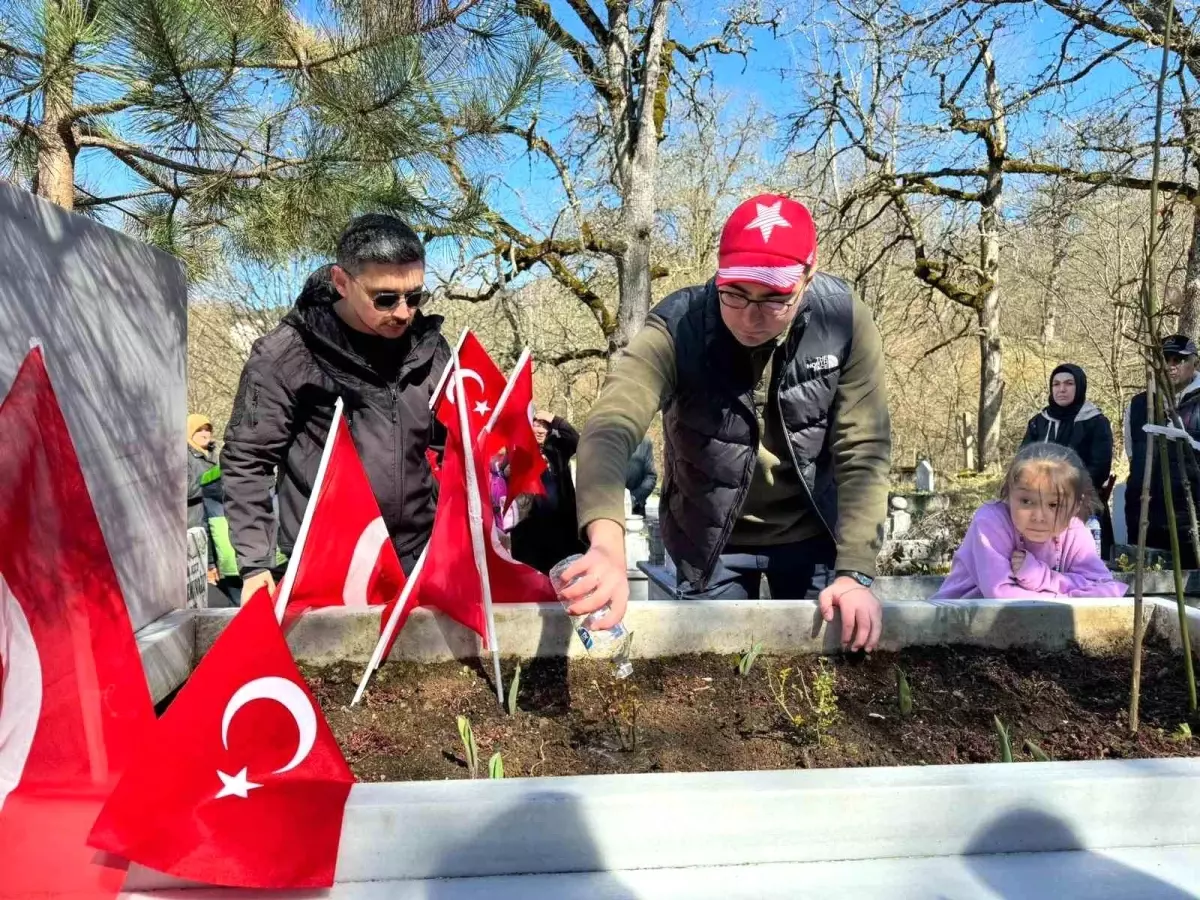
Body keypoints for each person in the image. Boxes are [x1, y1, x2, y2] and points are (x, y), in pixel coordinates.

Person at [565, 194, 891, 653]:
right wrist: (605, 541)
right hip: (709, 539)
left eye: (774, 299)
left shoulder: (844, 320)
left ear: (807, 279)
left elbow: (864, 447)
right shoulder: (678, 327)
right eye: (734, 294)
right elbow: (611, 424)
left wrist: (855, 571)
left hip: (813, 532)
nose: (751, 318)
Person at [222, 214, 450, 598]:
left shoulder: (429, 347)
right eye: (385, 298)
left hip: (418, 554)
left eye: (415, 296)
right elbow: (248, 458)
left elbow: (456, 443)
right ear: (342, 282)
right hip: (326, 561)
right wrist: (255, 565)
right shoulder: (286, 353)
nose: (403, 312)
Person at [933, 443, 1126, 600]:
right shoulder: (991, 522)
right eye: (1026, 501)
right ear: (1008, 495)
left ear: (1076, 505)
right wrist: (1070, 595)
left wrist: (1044, 578)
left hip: (1038, 634)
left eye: (1054, 504)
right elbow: (1000, 594)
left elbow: (1106, 590)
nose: (1039, 516)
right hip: (957, 628)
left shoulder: (1075, 531)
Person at [1021, 363, 1114, 557]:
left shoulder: (1095, 422)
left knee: (1082, 566)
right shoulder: (1039, 422)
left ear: (1079, 386)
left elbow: (1099, 467)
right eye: (1056, 384)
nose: (1061, 389)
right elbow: (1024, 460)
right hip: (1041, 504)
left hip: (1082, 503)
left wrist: (1067, 490)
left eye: (1069, 383)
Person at [1124, 334, 1200, 567]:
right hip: (1144, 516)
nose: (1170, 366)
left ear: (1194, 363)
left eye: (1178, 360)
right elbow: (1131, 452)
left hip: (1191, 520)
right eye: (1165, 359)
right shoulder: (1139, 405)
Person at [509, 409, 586, 574]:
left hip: (560, 525)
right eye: (535, 425)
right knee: (532, 575)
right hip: (528, 525)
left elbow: (577, 441)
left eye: (543, 426)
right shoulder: (518, 449)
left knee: (563, 574)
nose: (539, 430)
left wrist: (553, 418)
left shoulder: (558, 450)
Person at [186, 414, 241, 603]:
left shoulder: (214, 454)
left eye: (207, 429)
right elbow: (182, 490)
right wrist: (209, 484)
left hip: (218, 525)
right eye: (199, 429)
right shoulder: (183, 456)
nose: (205, 433)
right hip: (198, 526)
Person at [624, 436, 658, 516]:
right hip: (607, 511)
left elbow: (651, 476)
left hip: (636, 510)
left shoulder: (644, 442)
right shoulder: (603, 440)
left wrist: (634, 498)